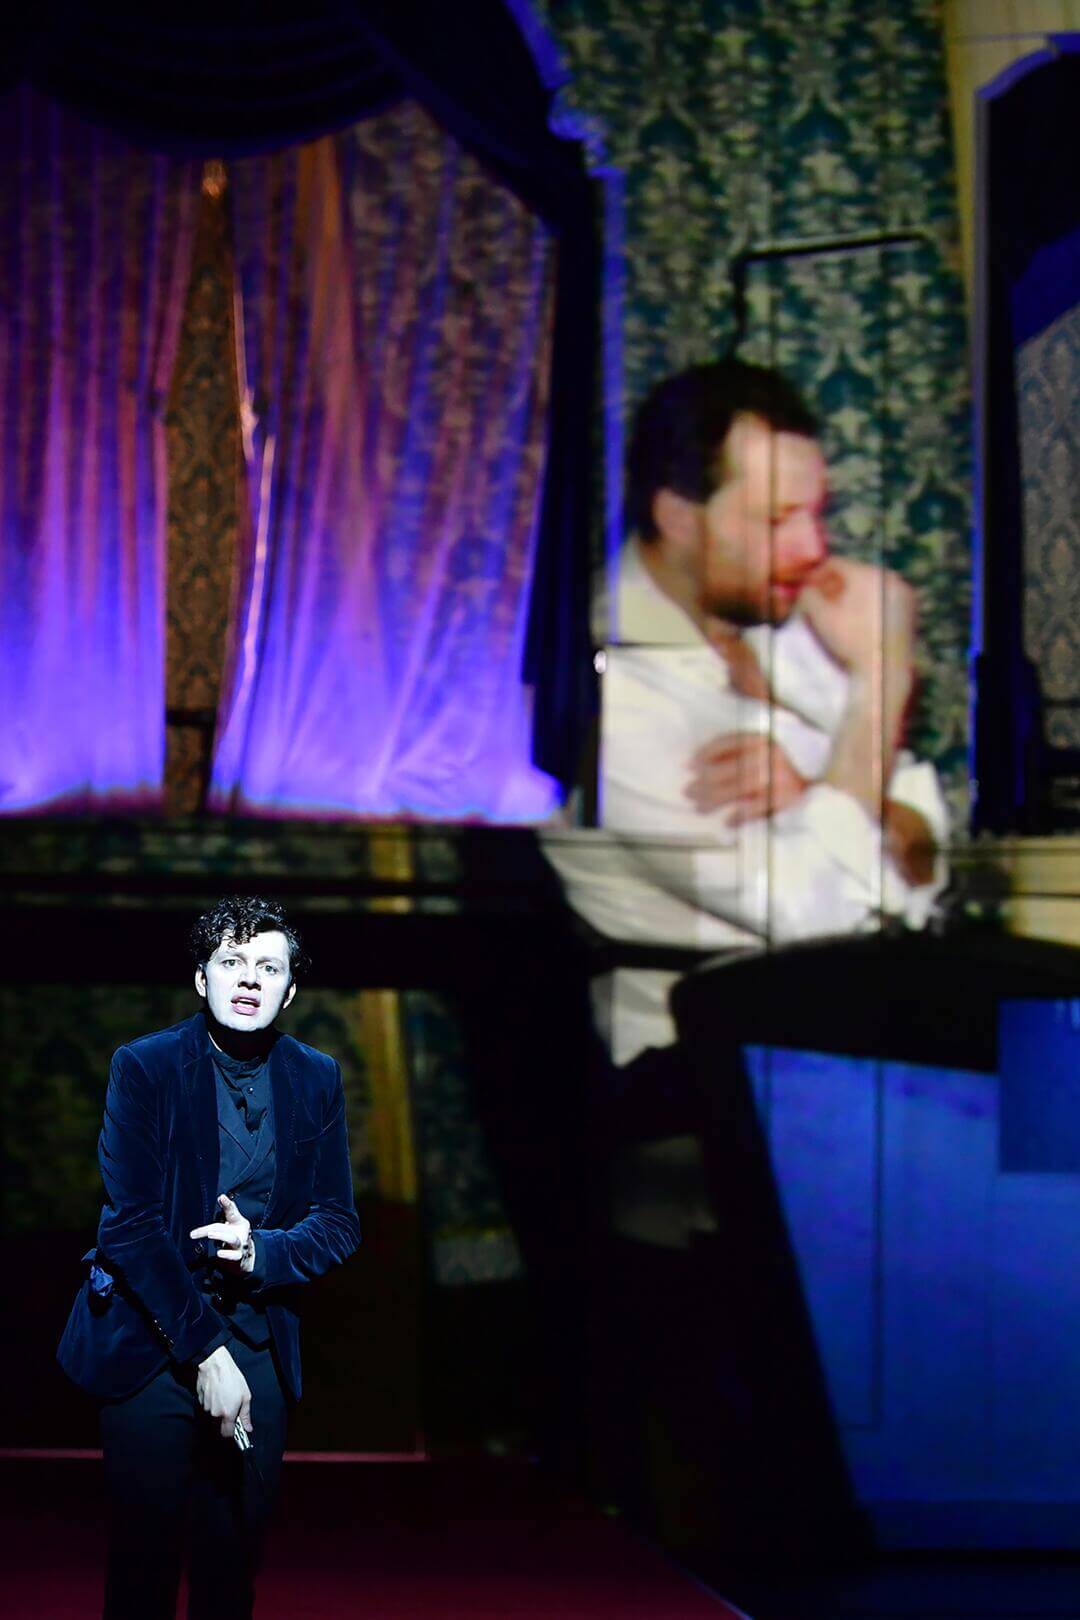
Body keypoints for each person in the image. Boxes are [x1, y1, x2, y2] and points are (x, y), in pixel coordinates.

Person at [545, 358, 948, 1065]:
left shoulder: (777, 614)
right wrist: (882, 677)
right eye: (777, 519)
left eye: (816, 514)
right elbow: (825, 918)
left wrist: (823, 795)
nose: (813, 549)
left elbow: (932, 848)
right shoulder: (605, 695)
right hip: (697, 1076)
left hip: (852, 1039)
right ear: (678, 517)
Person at [57, 896, 361, 1620]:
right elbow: (130, 1227)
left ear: (290, 991)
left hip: (256, 1339)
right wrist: (206, 1353)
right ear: (202, 979)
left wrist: (260, 1250)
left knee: (231, 1566)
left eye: (268, 968)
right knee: (145, 1567)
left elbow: (338, 1222)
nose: (249, 978)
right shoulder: (146, 1066)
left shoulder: (315, 1076)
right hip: (151, 1339)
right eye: (231, 962)